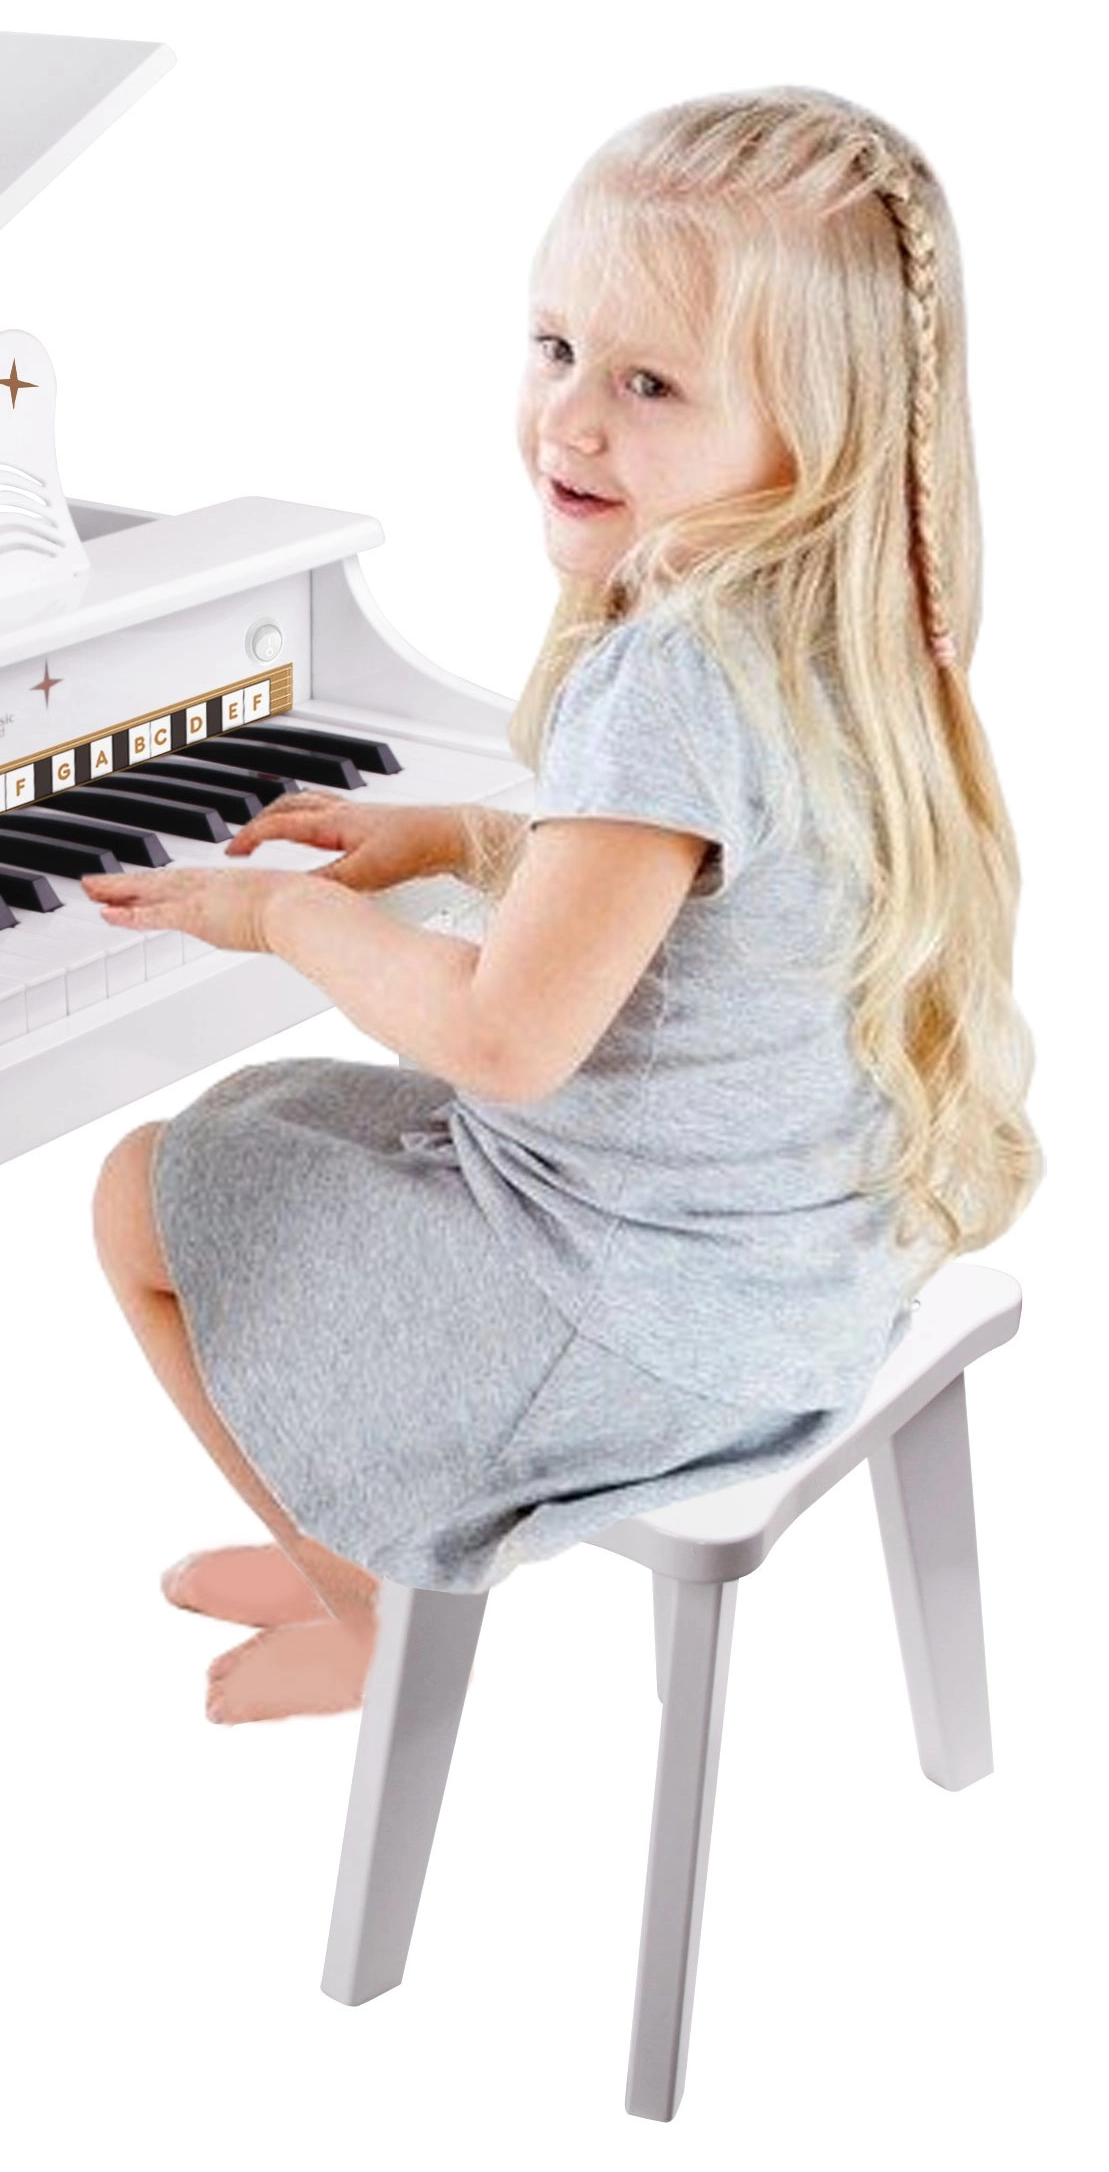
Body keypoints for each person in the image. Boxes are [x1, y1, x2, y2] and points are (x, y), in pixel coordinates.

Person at [83, 89, 1041, 1727]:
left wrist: (283, 920)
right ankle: (347, 1549)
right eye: (555, 348)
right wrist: (460, 836)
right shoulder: (845, 627)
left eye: (650, 383)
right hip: (793, 1274)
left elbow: (506, 1043)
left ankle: (362, 1600)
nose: (570, 421)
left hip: (640, 1325)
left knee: (142, 1195)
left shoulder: (671, 677)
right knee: (266, 1127)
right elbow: (688, 889)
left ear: (813, 427)